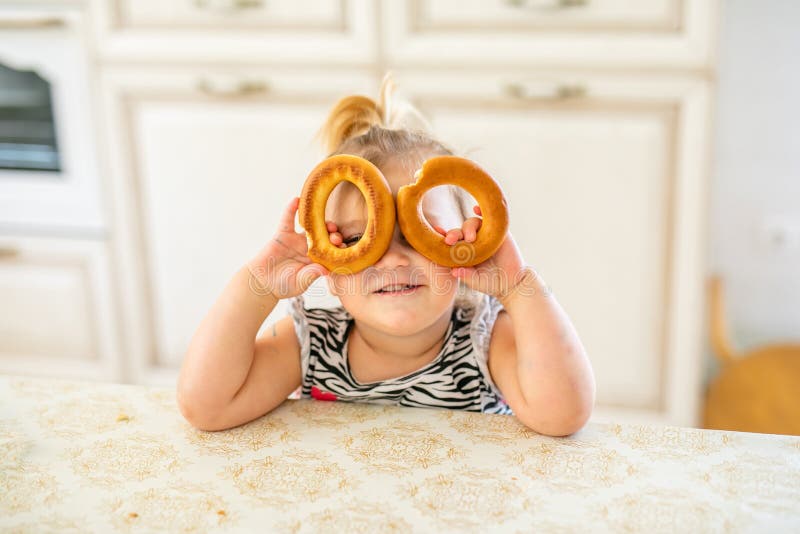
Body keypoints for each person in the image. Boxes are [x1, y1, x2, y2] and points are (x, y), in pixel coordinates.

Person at [177, 77, 596, 436]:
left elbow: (564, 414)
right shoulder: (311, 344)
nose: (394, 260)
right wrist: (259, 285)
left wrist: (519, 287)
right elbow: (206, 406)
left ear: (468, 244)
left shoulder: (486, 341)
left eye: (419, 236)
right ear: (330, 261)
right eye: (362, 238)